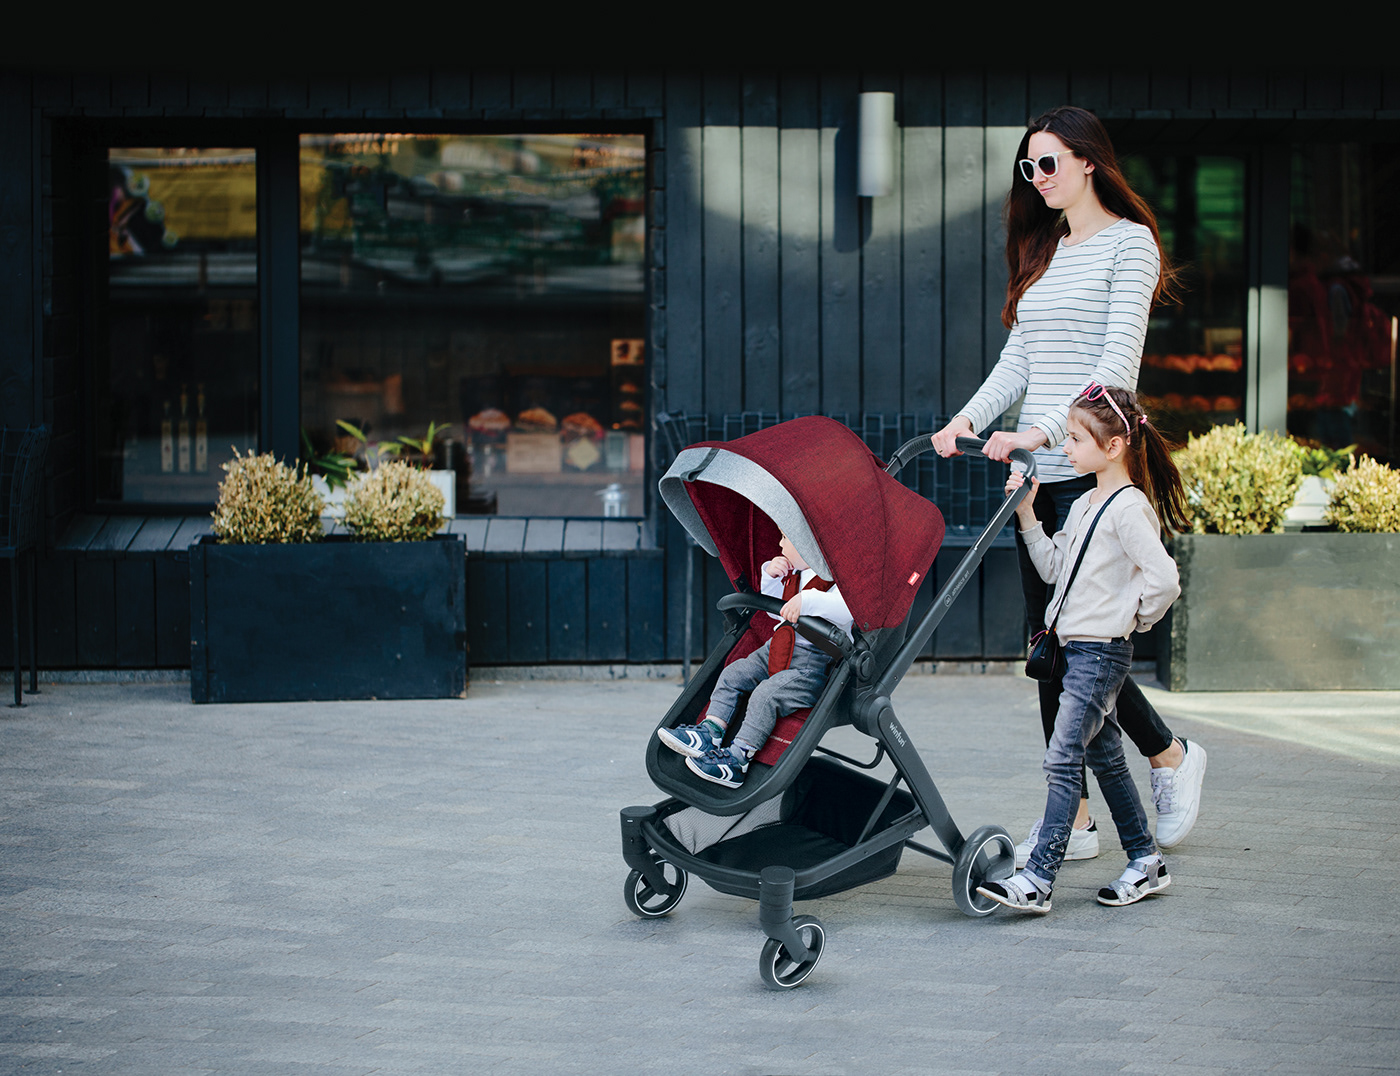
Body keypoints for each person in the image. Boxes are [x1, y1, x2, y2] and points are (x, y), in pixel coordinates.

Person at [930, 105, 1205, 861]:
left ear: (1089, 162)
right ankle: (1082, 814)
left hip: (1095, 474)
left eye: (1048, 163)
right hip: (1039, 472)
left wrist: (1043, 431)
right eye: (1029, 167)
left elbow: (1115, 367)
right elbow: (1019, 362)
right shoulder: (1046, 247)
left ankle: (1164, 762)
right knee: (1052, 643)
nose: (1038, 178)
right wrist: (966, 420)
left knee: (1084, 643)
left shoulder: (1131, 245)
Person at [978, 384, 1186, 912]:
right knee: (1107, 759)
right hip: (1074, 651)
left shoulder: (1128, 508)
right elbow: (1054, 570)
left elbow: (1164, 579)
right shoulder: (1086, 504)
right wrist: (1027, 514)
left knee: (1062, 755)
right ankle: (1145, 860)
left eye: (1074, 438)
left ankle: (1039, 879)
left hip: (1099, 654)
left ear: (1113, 446)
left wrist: (1129, 620)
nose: (1064, 448)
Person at [657, 532, 853, 789]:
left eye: (785, 538)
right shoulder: (794, 574)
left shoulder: (837, 582)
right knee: (734, 672)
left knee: (765, 695)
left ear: (807, 545)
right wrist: (770, 576)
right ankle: (710, 732)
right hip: (776, 647)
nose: (780, 544)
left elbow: (847, 610)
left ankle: (737, 760)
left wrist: (809, 600)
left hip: (810, 664)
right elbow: (775, 613)